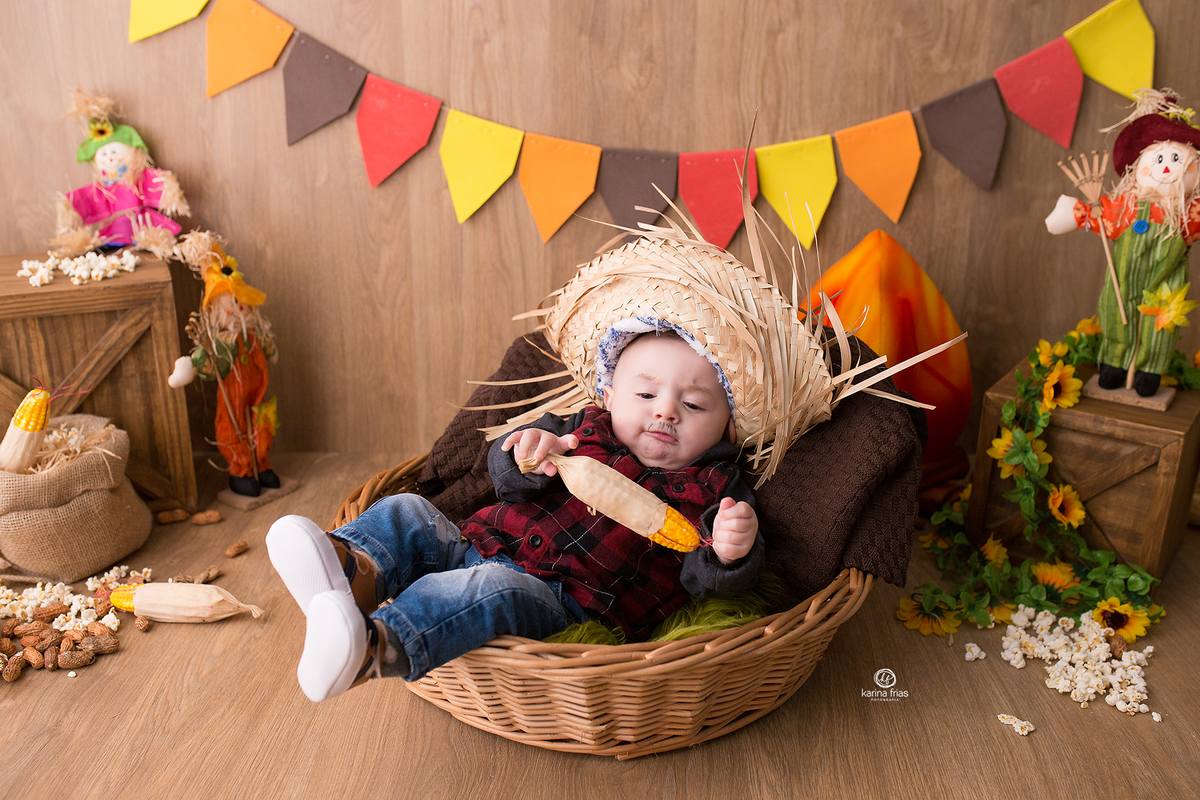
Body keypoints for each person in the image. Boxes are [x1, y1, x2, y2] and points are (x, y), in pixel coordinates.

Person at [267, 329, 763, 702]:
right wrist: (527, 450)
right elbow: (505, 477)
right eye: (647, 395)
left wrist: (730, 551)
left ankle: (373, 645)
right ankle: (349, 569)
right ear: (608, 397)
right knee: (409, 510)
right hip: (474, 542)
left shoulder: (716, 490)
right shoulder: (580, 430)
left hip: (559, 600)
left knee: (488, 589)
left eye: (694, 404)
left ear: (728, 425)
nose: (667, 412)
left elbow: (706, 583)